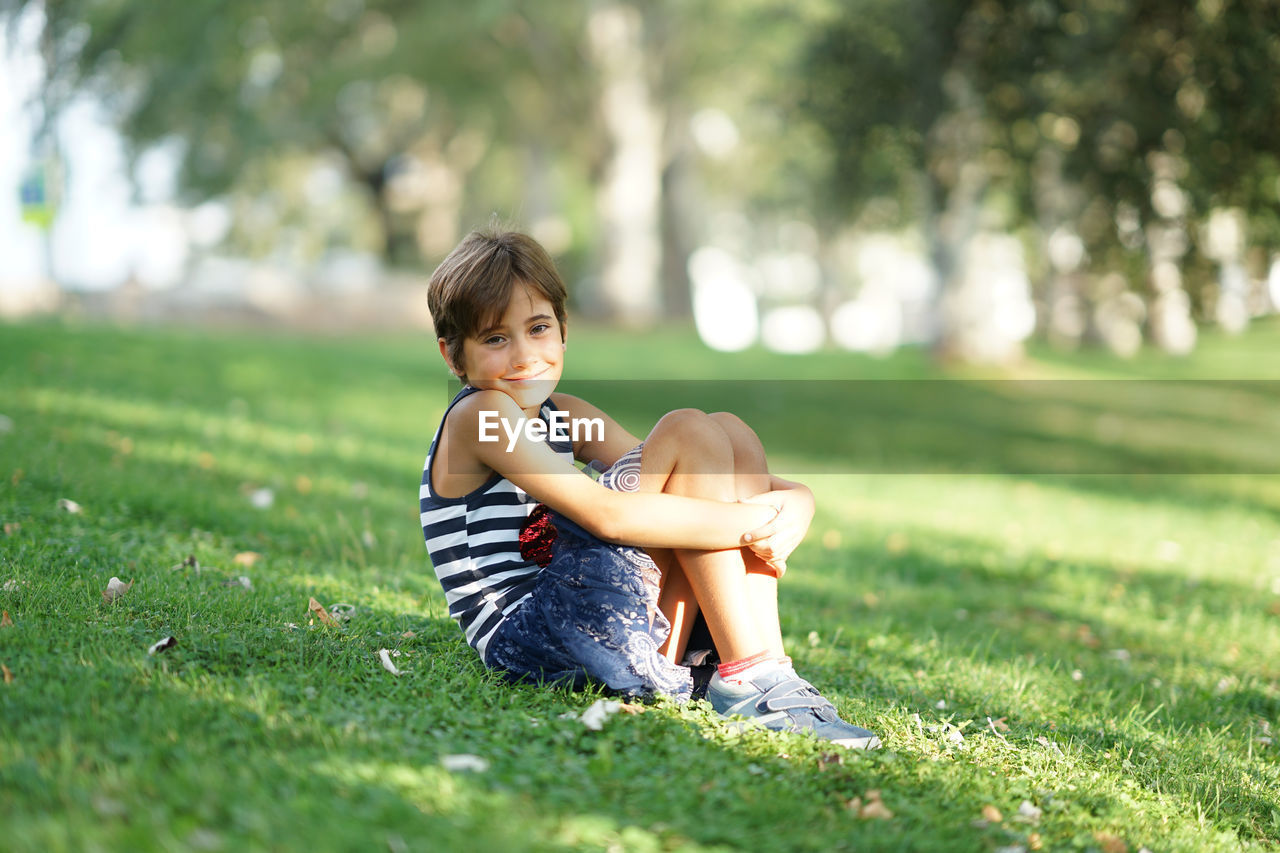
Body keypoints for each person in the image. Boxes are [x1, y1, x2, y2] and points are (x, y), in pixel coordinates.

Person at [419, 227, 880, 750]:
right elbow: (607, 517)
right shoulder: (480, 419)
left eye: (538, 328)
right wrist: (759, 522)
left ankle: (767, 675)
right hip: (534, 637)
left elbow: (699, 469)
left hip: (598, 618)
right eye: (495, 339)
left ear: (564, 329)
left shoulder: (565, 418)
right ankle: (751, 674)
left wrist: (799, 499)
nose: (525, 356)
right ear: (454, 356)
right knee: (687, 428)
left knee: (726, 432)